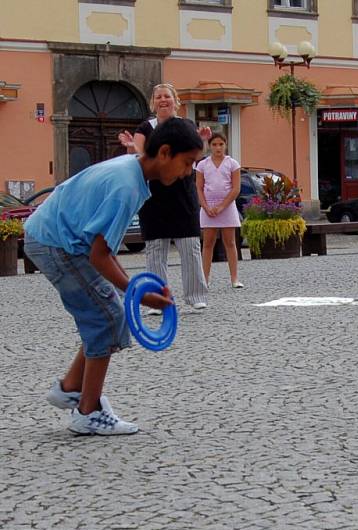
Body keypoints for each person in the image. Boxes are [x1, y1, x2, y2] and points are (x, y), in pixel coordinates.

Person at [24, 118, 203, 435]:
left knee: (105, 312)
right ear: (164, 152)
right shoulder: (127, 187)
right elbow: (99, 255)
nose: (189, 172)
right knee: (107, 316)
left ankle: (70, 387)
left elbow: (104, 251)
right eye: (187, 163)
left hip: (54, 237)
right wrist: (139, 294)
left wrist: (133, 290)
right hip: (55, 244)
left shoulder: (131, 170)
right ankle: (87, 412)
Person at [118, 83, 210, 313]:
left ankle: (196, 295)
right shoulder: (145, 127)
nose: (163, 100)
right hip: (154, 195)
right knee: (155, 249)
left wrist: (204, 141)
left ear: (175, 100)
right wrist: (130, 148)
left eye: (167, 96)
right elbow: (139, 155)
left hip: (182, 193)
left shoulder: (186, 125)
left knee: (189, 245)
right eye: (158, 97)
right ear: (153, 102)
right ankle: (158, 297)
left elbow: (196, 155)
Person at [196, 132, 243, 288]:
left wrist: (223, 206)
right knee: (208, 243)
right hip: (209, 206)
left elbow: (236, 188)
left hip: (227, 206)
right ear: (209, 146)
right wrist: (205, 206)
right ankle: (205, 279)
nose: (218, 148)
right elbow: (199, 188)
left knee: (230, 242)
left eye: (221, 144)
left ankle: (234, 278)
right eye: (214, 144)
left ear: (226, 145)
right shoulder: (202, 165)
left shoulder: (232, 164)